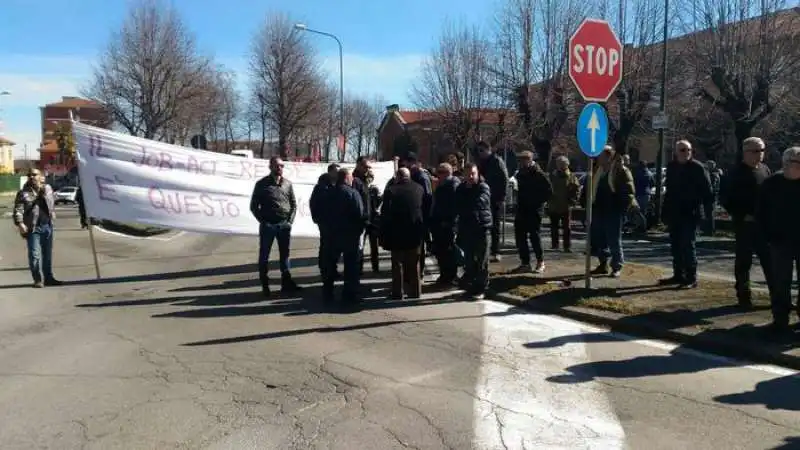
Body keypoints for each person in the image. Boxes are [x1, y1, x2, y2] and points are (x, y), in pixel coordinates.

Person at [720, 137, 772, 307]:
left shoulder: (765, 170)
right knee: (744, 262)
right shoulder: (735, 173)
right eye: (756, 151)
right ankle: (744, 296)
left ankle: (777, 296)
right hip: (745, 225)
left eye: (762, 150)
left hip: (764, 225)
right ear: (745, 152)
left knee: (770, 262)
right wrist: (742, 215)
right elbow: (726, 199)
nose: (760, 154)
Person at [756, 146, 800, 337]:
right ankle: (780, 319)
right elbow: (761, 212)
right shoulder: (772, 184)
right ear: (787, 163)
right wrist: (766, 236)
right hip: (780, 240)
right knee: (781, 282)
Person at [660, 140, 713, 289]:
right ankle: (678, 274)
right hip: (674, 212)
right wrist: (664, 212)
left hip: (691, 213)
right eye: (682, 150)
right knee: (675, 245)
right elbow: (669, 191)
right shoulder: (672, 167)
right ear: (676, 152)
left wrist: (706, 214)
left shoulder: (698, 168)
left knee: (688, 245)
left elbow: (708, 192)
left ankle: (691, 277)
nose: (686, 153)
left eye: (688, 150)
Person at [581, 146, 637, 278]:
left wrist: (622, 208)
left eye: (600, 156)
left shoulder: (620, 171)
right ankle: (603, 264)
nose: (597, 158)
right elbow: (588, 188)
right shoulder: (596, 170)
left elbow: (628, 191)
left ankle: (617, 266)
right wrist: (586, 203)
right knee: (600, 239)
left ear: (608, 156)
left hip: (614, 210)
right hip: (598, 209)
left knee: (614, 240)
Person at [250, 156, 301, 297]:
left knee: (285, 255)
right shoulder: (262, 184)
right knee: (264, 256)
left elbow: (294, 204)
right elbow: (253, 206)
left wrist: (289, 221)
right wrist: (263, 221)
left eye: (282, 166)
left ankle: (287, 283)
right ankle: (265, 285)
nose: (280, 168)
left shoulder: (287, 184)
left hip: (284, 225)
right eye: (277, 166)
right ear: (270, 167)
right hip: (268, 226)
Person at [320, 168, 365, 308]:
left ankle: (327, 293)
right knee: (351, 266)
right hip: (350, 236)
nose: (353, 180)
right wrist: (359, 231)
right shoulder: (353, 193)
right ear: (346, 178)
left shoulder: (327, 193)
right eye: (351, 177)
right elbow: (360, 214)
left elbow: (320, 212)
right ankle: (350, 294)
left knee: (330, 265)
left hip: (331, 235)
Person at [380, 167, 425, 299]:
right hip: (415, 231)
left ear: (397, 177)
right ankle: (416, 291)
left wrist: (383, 234)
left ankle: (397, 292)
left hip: (397, 232)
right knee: (414, 263)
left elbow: (385, 214)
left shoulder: (391, 191)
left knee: (397, 263)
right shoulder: (419, 188)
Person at [12, 168, 61, 288]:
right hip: (33, 228)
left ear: (41, 176)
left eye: (34, 175)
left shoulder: (48, 188)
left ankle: (49, 278)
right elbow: (18, 209)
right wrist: (20, 223)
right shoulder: (23, 192)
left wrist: (43, 192)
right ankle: (37, 279)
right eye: (29, 175)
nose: (31, 177)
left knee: (47, 255)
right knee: (34, 255)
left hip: (47, 226)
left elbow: (52, 204)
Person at [455, 163, 493, 300]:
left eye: (473, 173)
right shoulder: (461, 188)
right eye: (468, 174)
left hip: (482, 227)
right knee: (469, 260)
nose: (471, 176)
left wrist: (467, 203)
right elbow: (457, 204)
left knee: (482, 259)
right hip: (467, 228)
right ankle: (472, 286)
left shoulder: (483, 187)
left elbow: (480, 201)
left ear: (477, 173)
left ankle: (481, 288)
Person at [513, 151, 552, 273]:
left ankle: (540, 262)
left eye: (523, 161)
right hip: (522, 208)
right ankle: (525, 262)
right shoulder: (520, 174)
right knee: (520, 236)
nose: (520, 163)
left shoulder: (539, 174)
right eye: (519, 161)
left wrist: (538, 202)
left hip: (534, 209)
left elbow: (549, 191)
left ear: (529, 161)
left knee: (534, 236)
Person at [476, 141, 509, 262]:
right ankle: (485, 250)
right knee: (484, 224)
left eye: (481, 150)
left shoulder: (496, 161)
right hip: (485, 197)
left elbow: (504, 178)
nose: (479, 153)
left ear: (488, 149)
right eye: (478, 151)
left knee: (495, 225)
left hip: (495, 197)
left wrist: (502, 197)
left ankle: (496, 251)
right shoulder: (481, 162)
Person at [430, 162, 461, 285]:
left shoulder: (452, 185)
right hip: (439, 223)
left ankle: (450, 276)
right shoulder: (443, 185)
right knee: (441, 251)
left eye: (440, 172)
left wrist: (449, 222)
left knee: (448, 251)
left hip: (447, 224)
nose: (438, 175)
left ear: (447, 173)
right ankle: (444, 275)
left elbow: (454, 207)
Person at [310, 163, 340, 278]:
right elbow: (313, 203)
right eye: (336, 171)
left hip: (336, 222)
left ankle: (333, 269)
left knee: (335, 247)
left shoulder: (337, 185)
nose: (338, 173)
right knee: (326, 246)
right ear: (330, 172)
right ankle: (324, 269)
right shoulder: (321, 186)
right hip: (325, 222)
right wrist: (317, 219)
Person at [353, 157, 381, 274]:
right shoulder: (355, 181)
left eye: (369, 167)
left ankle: (375, 267)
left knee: (374, 245)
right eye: (366, 167)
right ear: (359, 166)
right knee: (360, 246)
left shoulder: (368, 179)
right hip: (362, 219)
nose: (368, 169)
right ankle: (358, 269)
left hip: (372, 217)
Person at [548, 155, 580, 252]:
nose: (561, 166)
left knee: (567, 228)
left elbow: (577, 189)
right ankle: (555, 245)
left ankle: (567, 246)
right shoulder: (552, 176)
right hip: (554, 205)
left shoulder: (571, 176)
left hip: (566, 205)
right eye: (559, 164)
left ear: (567, 165)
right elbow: (547, 188)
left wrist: (574, 199)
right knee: (554, 227)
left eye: (563, 164)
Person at [704, 160, 722, 235]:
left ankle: (710, 231)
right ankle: (709, 230)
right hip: (713, 196)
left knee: (709, 213)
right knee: (709, 213)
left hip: (711, 197)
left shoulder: (713, 175)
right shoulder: (716, 174)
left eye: (707, 165)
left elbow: (711, 186)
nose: (706, 166)